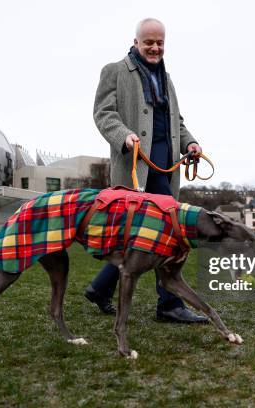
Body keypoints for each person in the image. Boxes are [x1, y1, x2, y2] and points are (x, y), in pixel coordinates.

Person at [84, 18, 208, 324]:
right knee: (169, 228)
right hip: (135, 165)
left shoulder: (167, 79)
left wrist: (190, 144)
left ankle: (100, 289)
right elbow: (103, 113)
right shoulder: (114, 70)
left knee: (139, 235)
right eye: (149, 42)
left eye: (160, 43)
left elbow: (176, 121)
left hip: (166, 166)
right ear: (136, 41)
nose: (154, 48)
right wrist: (123, 136)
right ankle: (169, 304)